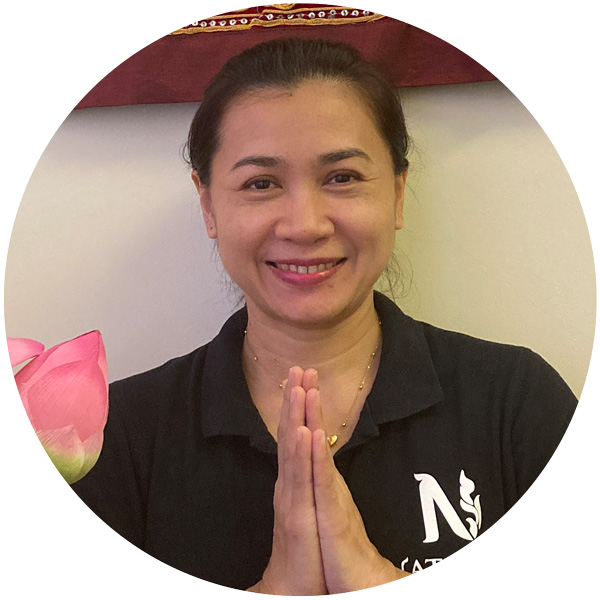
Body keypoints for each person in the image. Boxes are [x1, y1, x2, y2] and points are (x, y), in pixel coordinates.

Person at [72, 38, 577, 594]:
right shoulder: (116, 437)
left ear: (399, 193)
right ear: (209, 205)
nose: (305, 224)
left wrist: (372, 577)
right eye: (261, 184)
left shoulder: (516, 402)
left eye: (342, 178)